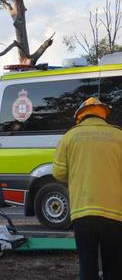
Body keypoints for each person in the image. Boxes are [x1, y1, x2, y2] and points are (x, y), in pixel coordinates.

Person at [53, 97, 122, 280]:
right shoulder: (119, 136)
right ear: (104, 114)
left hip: (82, 213)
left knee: (87, 262)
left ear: (80, 115)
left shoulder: (69, 137)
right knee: (113, 264)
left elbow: (58, 173)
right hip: (114, 214)